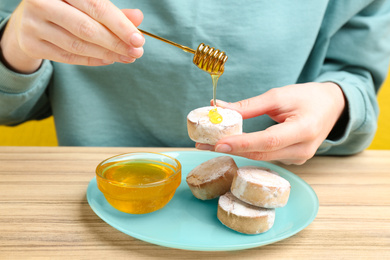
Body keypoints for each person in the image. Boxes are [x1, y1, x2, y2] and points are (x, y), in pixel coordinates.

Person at [1, 0, 390, 165]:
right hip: (96, 186)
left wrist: (337, 101)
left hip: (286, 181)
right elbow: (11, 108)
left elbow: (356, 76)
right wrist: (15, 48)